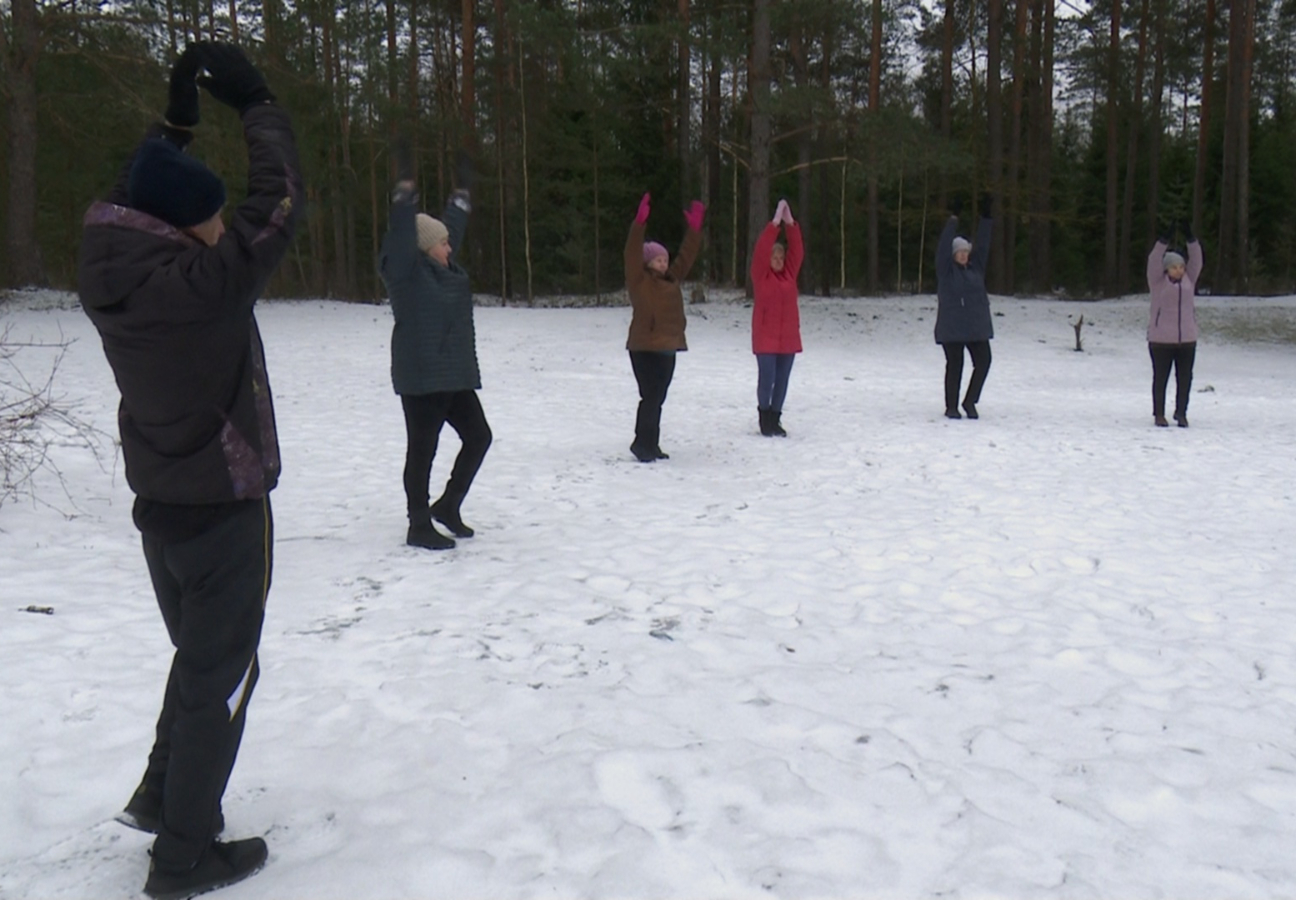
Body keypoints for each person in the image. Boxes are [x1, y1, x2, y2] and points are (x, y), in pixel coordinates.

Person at [77, 42, 301, 899]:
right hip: (224, 508)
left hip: (163, 505)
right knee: (226, 676)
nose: (218, 229)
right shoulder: (204, 283)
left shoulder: (108, 257)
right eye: (205, 220)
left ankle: (158, 796)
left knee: (199, 660)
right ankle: (182, 860)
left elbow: (140, 185)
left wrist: (173, 123)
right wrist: (255, 101)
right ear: (183, 230)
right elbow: (276, 202)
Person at [380, 147, 490, 549]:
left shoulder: (442, 266)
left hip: (453, 374)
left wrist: (462, 193)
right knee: (422, 451)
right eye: (442, 244)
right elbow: (403, 234)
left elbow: (451, 228)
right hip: (422, 376)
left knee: (479, 437)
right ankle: (418, 524)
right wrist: (404, 196)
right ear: (425, 248)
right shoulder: (405, 272)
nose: (450, 248)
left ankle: (449, 505)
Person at [624, 192, 705, 462]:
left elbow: (687, 256)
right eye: (658, 260)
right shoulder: (639, 280)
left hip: (669, 347)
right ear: (648, 262)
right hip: (644, 347)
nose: (664, 263)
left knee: (657, 398)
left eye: (665, 259)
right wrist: (639, 225)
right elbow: (630, 253)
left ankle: (650, 444)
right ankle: (642, 445)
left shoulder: (672, 279)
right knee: (651, 396)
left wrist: (694, 230)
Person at [934, 193, 994, 419]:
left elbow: (984, 246)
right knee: (955, 365)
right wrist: (953, 219)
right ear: (953, 255)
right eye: (959, 252)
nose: (964, 255)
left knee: (984, 362)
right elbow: (942, 248)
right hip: (952, 328)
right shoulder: (946, 271)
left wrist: (986, 218)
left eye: (966, 252)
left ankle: (970, 401)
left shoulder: (975, 268)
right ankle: (951, 407)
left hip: (975, 327)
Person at [750, 198, 804, 437]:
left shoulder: (790, 275)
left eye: (781, 257)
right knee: (767, 378)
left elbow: (798, 252)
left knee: (782, 380)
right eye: (775, 258)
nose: (779, 261)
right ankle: (764, 416)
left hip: (788, 338)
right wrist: (774, 225)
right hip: (766, 338)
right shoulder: (761, 276)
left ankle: (776, 418)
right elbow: (761, 251)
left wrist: (790, 224)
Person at [1147, 220, 1203, 427]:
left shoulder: (1190, 279)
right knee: (1161, 378)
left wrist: (1191, 239)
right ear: (1166, 269)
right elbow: (1153, 260)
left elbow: (1197, 260)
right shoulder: (1157, 282)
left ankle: (1181, 413)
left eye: (1181, 266)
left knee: (1185, 379)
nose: (1178, 270)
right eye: (1173, 267)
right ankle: (1159, 414)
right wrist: (1164, 240)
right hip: (1161, 340)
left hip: (1187, 339)